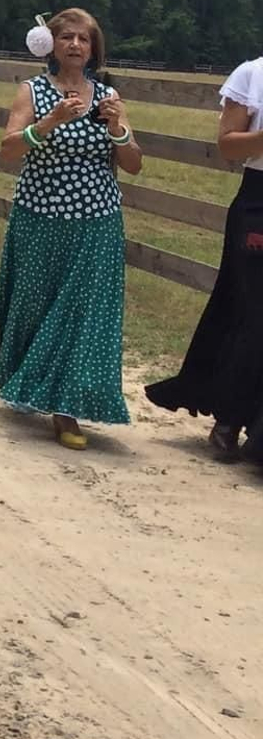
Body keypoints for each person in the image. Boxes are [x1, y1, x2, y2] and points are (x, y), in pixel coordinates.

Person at [0, 7, 140, 449]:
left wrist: (117, 128)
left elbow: (133, 163)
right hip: (41, 218)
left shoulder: (109, 95)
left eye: (85, 39)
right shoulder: (31, 91)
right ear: (51, 44)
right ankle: (29, 381)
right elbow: (8, 149)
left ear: (95, 49)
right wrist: (49, 123)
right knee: (38, 307)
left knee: (83, 314)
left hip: (98, 220)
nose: (76, 44)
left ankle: (67, 407)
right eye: (68, 37)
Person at [145, 55, 263, 459]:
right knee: (254, 313)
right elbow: (228, 144)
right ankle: (229, 418)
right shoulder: (253, 73)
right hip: (259, 202)